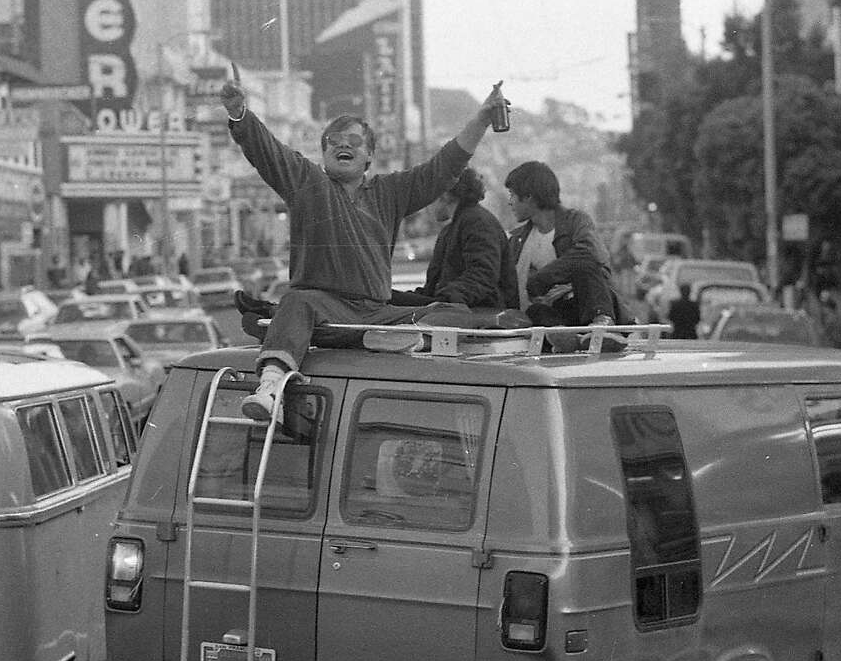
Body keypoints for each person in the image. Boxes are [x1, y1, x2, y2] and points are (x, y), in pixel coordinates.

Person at [221, 66, 506, 420]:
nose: (343, 145)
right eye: (334, 142)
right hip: (323, 309)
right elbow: (268, 151)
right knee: (295, 302)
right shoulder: (306, 181)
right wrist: (239, 114)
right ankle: (272, 386)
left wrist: (481, 118)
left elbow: (444, 167)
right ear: (323, 153)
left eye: (353, 141)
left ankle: (389, 335)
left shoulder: (391, 191)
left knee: (455, 313)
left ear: (369, 155)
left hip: (376, 314)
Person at [504, 161, 629, 335]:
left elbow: (593, 255)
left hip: (587, 304)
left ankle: (602, 324)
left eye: (512, 195)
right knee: (535, 312)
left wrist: (543, 280)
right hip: (554, 314)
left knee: (584, 263)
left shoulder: (576, 221)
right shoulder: (517, 239)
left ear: (528, 196)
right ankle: (562, 336)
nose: (510, 202)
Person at [388, 167, 517, 310]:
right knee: (386, 298)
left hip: (480, 316)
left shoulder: (477, 222)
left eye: (430, 197)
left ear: (445, 195)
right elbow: (432, 289)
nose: (426, 206)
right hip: (454, 310)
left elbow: (483, 274)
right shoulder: (451, 229)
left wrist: (449, 298)